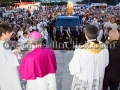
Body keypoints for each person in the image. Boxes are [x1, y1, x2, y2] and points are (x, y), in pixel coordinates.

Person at [69, 25, 109, 90]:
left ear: (86, 35)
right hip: (97, 80)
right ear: (97, 34)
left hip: (84, 81)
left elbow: (74, 70)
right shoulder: (104, 47)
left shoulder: (80, 50)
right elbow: (106, 63)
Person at [0, 24, 22, 90]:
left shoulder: (5, 43)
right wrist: (15, 54)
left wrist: (15, 51)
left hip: (12, 71)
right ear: (3, 33)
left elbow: (8, 55)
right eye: (9, 32)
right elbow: (3, 64)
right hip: (6, 74)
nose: (11, 34)